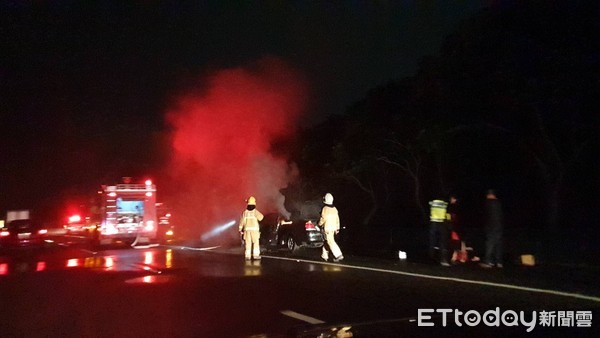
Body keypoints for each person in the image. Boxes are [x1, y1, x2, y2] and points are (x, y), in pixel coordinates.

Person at [480, 189, 504, 268]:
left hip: (491, 227)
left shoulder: (488, 203)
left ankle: (488, 261)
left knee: (489, 244)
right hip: (499, 226)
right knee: (498, 244)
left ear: (489, 195)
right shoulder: (499, 203)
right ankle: (499, 262)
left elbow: (486, 216)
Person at [319, 193, 344, 262]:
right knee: (327, 241)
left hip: (327, 228)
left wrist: (319, 224)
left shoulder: (325, 208)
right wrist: (337, 228)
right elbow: (337, 219)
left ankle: (338, 255)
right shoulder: (335, 209)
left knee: (330, 242)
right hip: (333, 228)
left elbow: (323, 218)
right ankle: (324, 256)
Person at [238, 196, 264, 260]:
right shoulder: (255, 212)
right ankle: (256, 256)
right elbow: (261, 217)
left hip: (247, 232)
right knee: (255, 243)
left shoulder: (245, 213)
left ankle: (247, 256)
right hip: (254, 232)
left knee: (248, 244)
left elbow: (241, 222)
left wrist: (240, 229)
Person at [429, 197, 450, 266]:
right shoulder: (445, 203)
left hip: (434, 221)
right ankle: (443, 260)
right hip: (442, 222)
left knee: (432, 241)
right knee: (442, 242)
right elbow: (447, 213)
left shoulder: (432, 201)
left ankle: (431, 258)